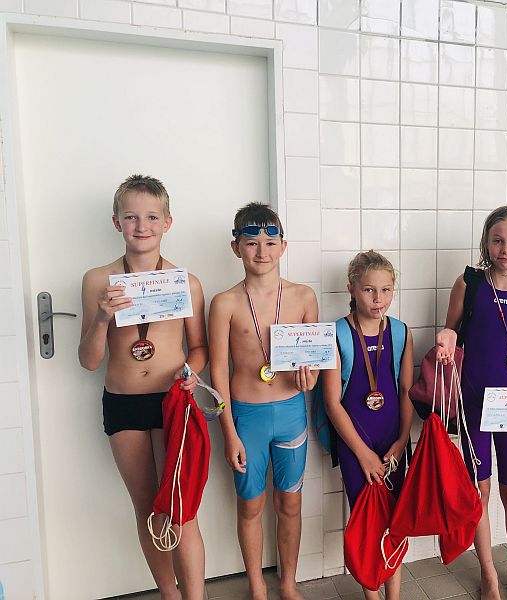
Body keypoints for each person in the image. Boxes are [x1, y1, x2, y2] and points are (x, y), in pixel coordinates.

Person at [79, 174, 208, 600]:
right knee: (146, 507)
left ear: (167, 222)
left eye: (152, 217)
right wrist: (103, 317)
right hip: (123, 402)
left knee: (180, 508)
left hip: (172, 401)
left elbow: (200, 348)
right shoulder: (97, 280)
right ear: (117, 221)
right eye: (131, 217)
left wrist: (190, 371)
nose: (142, 226)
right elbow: (89, 360)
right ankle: (169, 595)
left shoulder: (186, 282)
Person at [435, 206, 507, 600]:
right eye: (498, 241)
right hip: (473, 403)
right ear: (487, 242)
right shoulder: (468, 284)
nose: (506, 249)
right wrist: (445, 340)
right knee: (478, 491)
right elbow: (450, 330)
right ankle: (489, 574)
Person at [208, 202, 318, 600]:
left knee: (290, 504)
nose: (261, 251)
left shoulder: (303, 296)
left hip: (291, 413)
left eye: (270, 243)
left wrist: (310, 378)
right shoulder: (224, 303)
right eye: (251, 242)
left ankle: (288, 583)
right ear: (235, 247)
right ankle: (257, 586)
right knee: (250, 506)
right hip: (246, 418)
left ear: (283, 246)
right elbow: (217, 372)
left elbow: (314, 364)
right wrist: (229, 433)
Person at [321, 251, 414, 600]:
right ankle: (371, 595)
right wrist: (362, 454)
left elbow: (405, 391)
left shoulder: (401, 332)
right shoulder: (337, 334)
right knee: (367, 522)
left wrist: (402, 440)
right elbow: (332, 403)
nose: (378, 299)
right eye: (369, 290)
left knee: (395, 520)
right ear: (352, 289)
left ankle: (394, 596)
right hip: (355, 444)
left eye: (386, 290)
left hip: (393, 442)